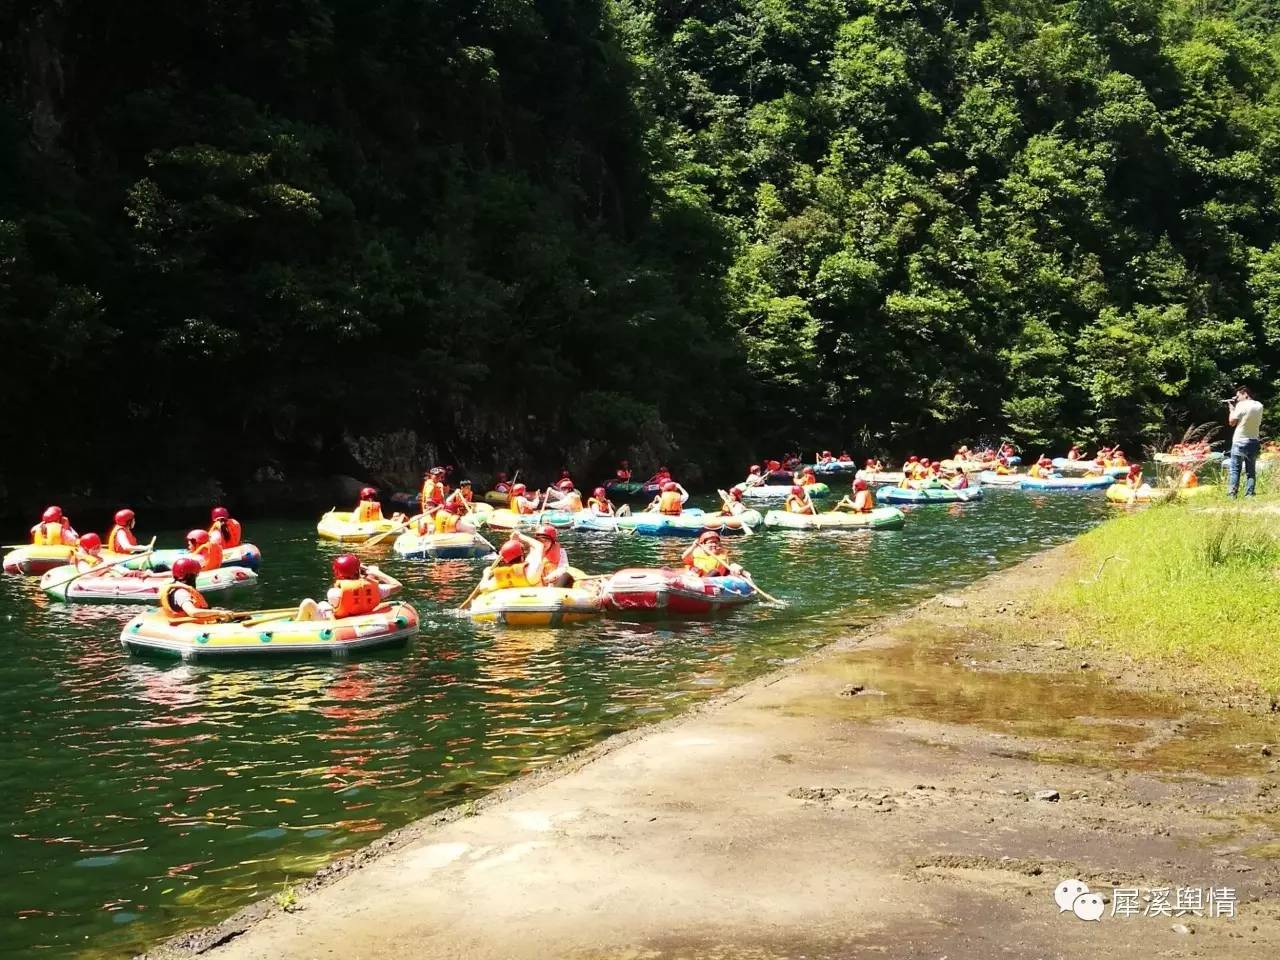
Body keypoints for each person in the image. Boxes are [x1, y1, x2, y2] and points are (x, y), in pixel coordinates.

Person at [296, 553, 404, 621]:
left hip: (337, 625)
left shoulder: (334, 593)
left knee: (309, 603)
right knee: (323, 605)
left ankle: (295, 628)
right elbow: (398, 586)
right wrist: (378, 573)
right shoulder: (377, 589)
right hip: (362, 618)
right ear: (358, 571)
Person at [1227, 385, 1264, 498]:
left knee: (1235, 470)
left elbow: (1232, 422)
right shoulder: (1259, 405)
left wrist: (1231, 410)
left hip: (1239, 441)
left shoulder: (1241, 405)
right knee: (1251, 471)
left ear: (1245, 394)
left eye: (1238, 396)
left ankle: (1232, 494)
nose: (1237, 398)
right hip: (1253, 440)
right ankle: (1249, 494)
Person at [159, 557, 220, 622]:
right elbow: (192, 612)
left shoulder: (175, 586)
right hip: (189, 626)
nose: (196, 578)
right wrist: (219, 613)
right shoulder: (181, 593)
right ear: (189, 576)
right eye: (195, 575)